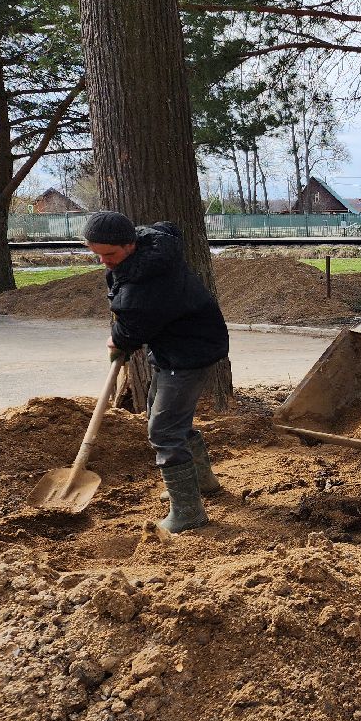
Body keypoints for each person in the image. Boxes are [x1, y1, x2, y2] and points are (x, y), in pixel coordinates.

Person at [83, 211, 229, 533]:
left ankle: (188, 512)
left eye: (110, 254)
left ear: (130, 244)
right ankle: (201, 481)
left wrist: (117, 340)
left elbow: (132, 329)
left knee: (164, 431)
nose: (104, 261)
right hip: (177, 346)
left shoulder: (147, 285)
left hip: (188, 354)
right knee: (162, 417)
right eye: (97, 254)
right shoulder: (152, 252)